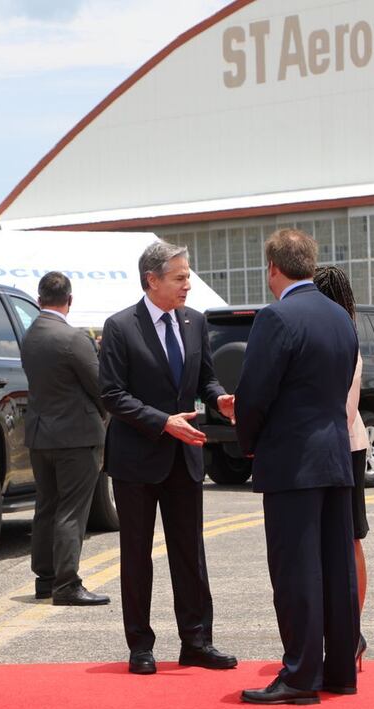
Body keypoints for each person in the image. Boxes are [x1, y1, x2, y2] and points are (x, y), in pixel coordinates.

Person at [98, 240, 238, 675]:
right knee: (137, 556)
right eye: (180, 277)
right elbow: (112, 395)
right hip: (137, 460)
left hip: (185, 458)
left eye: (188, 275)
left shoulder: (195, 323)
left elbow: (206, 377)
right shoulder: (121, 327)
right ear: (152, 280)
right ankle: (140, 645)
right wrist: (163, 421)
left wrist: (221, 399)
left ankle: (197, 641)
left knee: (190, 554)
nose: (188, 285)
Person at [236, 229, 360, 705]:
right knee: (336, 569)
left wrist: (247, 443)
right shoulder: (340, 318)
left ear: (273, 268)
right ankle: (339, 673)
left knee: (296, 572)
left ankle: (300, 676)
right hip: (335, 456)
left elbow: (255, 394)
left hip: (292, 460)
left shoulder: (276, 317)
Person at [21, 271, 110, 607]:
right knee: (72, 510)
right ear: (69, 301)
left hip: (41, 435)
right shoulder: (73, 338)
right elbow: (100, 386)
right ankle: (67, 582)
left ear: (40, 298)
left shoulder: (30, 335)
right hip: (76, 435)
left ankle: (45, 578)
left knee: (46, 506)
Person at [312, 265, 370, 667]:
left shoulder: (342, 339)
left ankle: (352, 632)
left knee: (349, 539)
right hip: (340, 446)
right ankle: (347, 630)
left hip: (343, 447)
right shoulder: (341, 334)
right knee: (342, 542)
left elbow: (345, 411)